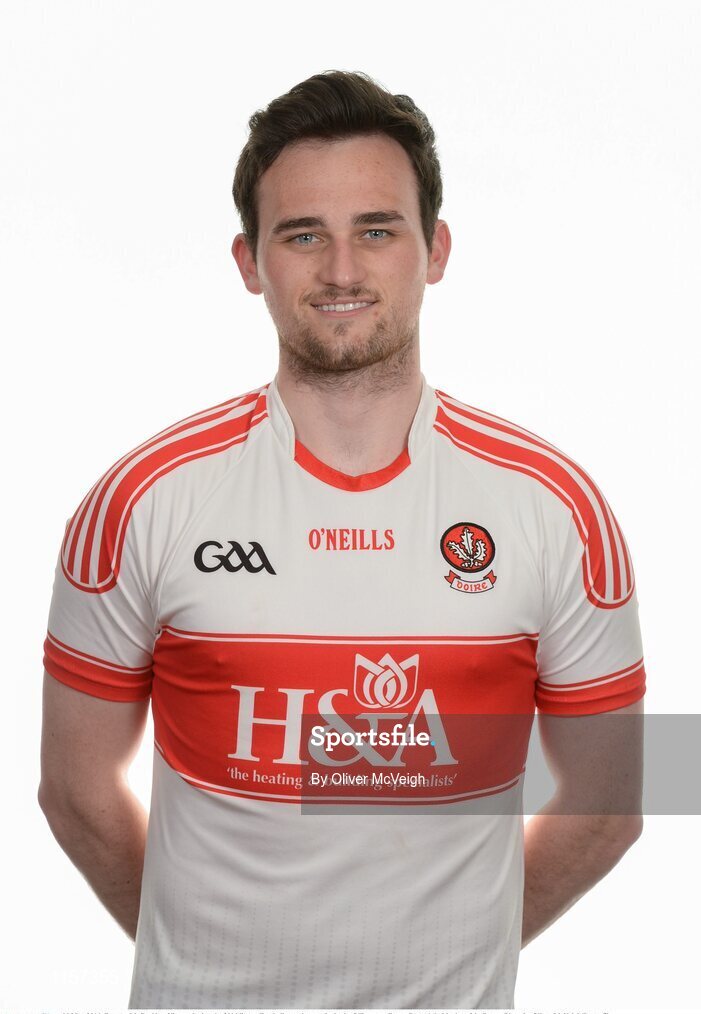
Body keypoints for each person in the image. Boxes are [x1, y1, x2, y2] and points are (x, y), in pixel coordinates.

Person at [38, 70, 645, 1009]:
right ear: (248, 261)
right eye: (301, 235)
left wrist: (454, 959)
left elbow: (610, 803)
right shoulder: (142, 501)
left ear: (433, 249)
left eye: (376, 229)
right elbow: (74, 792)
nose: (342, 271)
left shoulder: (551, 509)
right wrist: (195, 958)